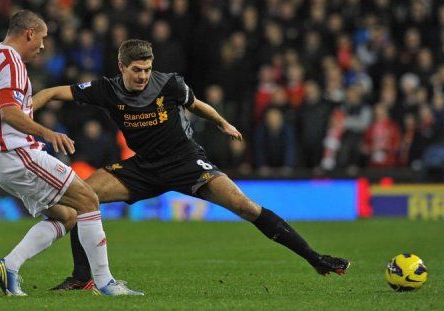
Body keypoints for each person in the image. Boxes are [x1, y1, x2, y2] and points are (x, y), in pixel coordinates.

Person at [32, 39, 350, 290]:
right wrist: (21, 113)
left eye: (147, 69)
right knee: (83, 196)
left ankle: (316, 259)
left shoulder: (169, 84)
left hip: (186, 162)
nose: (143, 75)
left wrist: (222, 123)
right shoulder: (106, 89)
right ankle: (82, 277)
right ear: (122, 67)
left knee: (245, 207)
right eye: (137, 70)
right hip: (144, 167)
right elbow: (51, 92)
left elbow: (198, 106)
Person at [0, 10, 142, 297]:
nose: (43, 46)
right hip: (17, 154)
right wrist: (47, 133)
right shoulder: (12, 62)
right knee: (88, 198)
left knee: (68, 215)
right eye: (42, 38)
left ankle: (9, 266)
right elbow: (9, 112)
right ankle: (105, 283)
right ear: (29, 33)